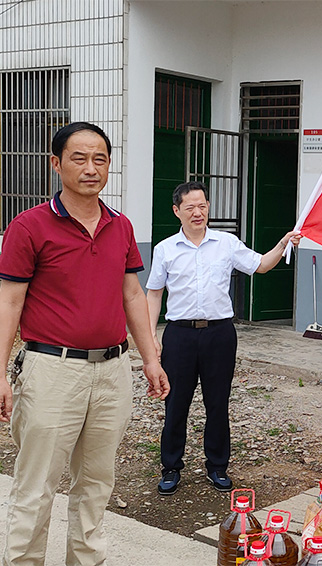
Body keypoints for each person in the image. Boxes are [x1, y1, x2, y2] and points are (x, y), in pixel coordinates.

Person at [0, 122, 169, 566]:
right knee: (36, 486)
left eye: (100, 159)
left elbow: (131, 293)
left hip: (112, 371)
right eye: (79, 158)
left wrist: (150, 358)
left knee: (96, 484)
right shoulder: (29, 226)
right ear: (56, 164)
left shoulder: (120, 226)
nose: (91, 168)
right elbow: (10, 301)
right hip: (52, 370)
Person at [146, 181, 300, 495]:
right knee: (176, 404)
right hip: (179, 335)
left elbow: (261, 266)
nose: (197, 212)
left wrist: (284, 243)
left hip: (219, 334)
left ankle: (217, 466)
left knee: (217, 403)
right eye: (190, 207)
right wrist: (150, 336)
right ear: (177, 211)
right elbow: (154, 293)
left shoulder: (226, 244)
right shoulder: (164, 249)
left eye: (202, 205)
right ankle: (171, 467)